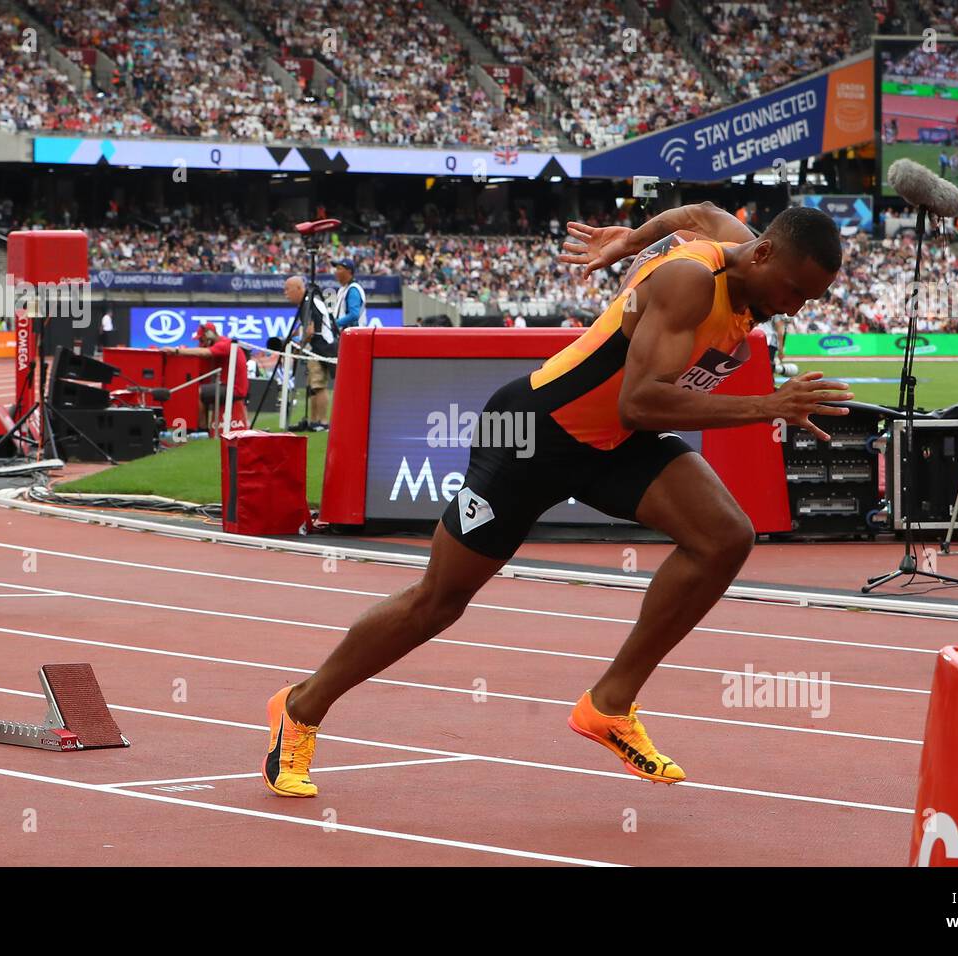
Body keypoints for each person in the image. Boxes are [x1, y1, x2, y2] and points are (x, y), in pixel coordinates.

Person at [261, 203, 852, 798]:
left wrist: (628, 241)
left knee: (725, 536)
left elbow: (699, 211)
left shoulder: (741, 249)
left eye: (813, 299)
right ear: (766, 253)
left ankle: (610, 704)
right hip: (533, 432)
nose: (797, 307)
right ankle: (301, 707)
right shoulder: (691, 281)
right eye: (796, 290)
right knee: (438, 602)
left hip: (615, 444)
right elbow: (641, 402)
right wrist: (766, 405)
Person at [163, 323, 248, 433]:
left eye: (202, 339)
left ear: (209, 335)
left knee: (198, 392)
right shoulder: (219, 345)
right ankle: (194, 426)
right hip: (225, 385)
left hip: (234, 389)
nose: (200, 343)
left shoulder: (225, 344)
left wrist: (176, 351)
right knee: (201, 390)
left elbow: (205, 352)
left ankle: (201, 429)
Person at [283, 275, 337, 432]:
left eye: (288, 289)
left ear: (299, 289)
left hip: (322, 348)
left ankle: (322, 422)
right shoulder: (308, 302)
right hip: (318, 348)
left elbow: (310, 330)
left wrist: (299, 347)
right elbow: (305, 326)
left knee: (319, 386)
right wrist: (292, 337)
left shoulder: (308, 303)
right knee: (312, 387)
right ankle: (314, 421)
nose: (285, 293)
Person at [332, 258, 366, 332]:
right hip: (345, 335)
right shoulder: (343, 289)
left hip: (354, 336)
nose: (336, 272)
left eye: (339, 269)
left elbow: (354, 315)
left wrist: (335, 324)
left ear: (349, 271)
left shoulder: (353, 289)